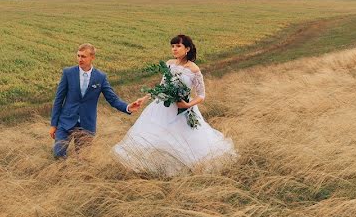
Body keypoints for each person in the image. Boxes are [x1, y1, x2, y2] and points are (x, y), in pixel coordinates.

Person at [112, 34, 236, 176]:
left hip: (182, 109)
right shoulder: (169, 63)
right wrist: (144, 98)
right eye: (172, 46)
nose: (174, 49)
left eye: (178, 46)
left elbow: (201, 95)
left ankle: (184, 168)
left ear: (187, 48)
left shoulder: (194, 69)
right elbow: (162, 86)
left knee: (185, 139)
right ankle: (155, 167)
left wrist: (188, 104)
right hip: (162, 107)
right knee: (155, 135)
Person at [49, 43, 144, 158]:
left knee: (83, 159)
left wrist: (127, 107)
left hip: (86, 125)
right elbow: (59, 99)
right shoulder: (68, 73)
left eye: (83, 56)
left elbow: (112, 99)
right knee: (58, 154)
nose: (80, 59)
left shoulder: (100, 77)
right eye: (78, 56)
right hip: (65, 122)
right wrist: (54, 124)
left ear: (92, 57)